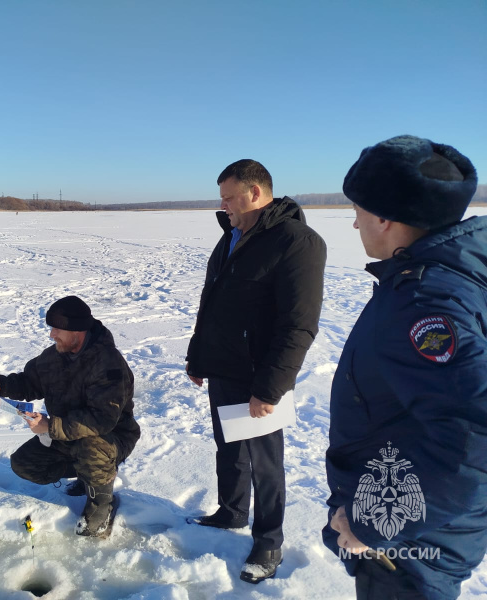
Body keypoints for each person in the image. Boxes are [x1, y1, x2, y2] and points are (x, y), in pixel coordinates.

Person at [323, 135, 487, 600]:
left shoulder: (426, 304)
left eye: (357, 210)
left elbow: (474, 442)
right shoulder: (449, 273)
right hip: (429, 522)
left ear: (385, 218)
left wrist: (372, 522)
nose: (354, 224)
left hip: (411, 541)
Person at [185, 160, 326, 583]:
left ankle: (269, 541)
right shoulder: (231, 236)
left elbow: (299, 324)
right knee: (228, 446)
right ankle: (231, 512)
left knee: (265, 463)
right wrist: (198, 357)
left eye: (229, 197)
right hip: (223, 365)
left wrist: (270, 387)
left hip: (259, 375)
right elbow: (211, 304)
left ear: (256, 193)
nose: (223, 204)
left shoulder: (297, 242)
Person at [0, 296, 140, 538]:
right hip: (66, 433)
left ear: (77, 331)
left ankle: (102, 505)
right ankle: (86, 475)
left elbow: (102, 419)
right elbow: (30, 381)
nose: (51, 335)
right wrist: (1, 386)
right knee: (24, 464)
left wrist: (50, 426)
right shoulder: (55, 355)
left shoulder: (108, 363)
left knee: (92, 449)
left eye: (57, 329)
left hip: (111, 436)